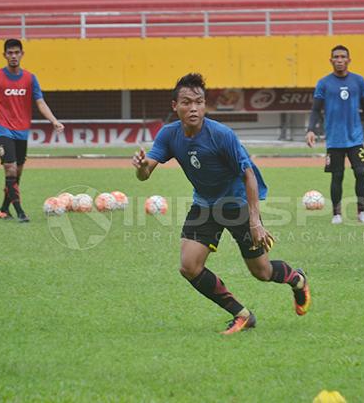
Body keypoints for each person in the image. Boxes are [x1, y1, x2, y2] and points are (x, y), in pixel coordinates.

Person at [132, 73, 311, 335]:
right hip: (205, 203)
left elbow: (248, 174)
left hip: (238, 201)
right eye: (186, 102)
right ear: (175, 106)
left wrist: (255, 222)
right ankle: (242, 315)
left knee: (261, 271)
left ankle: (297, 279)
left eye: (199, 102)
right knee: (189, 266)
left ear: (205, 105)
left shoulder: (221, 134)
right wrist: (139, 167)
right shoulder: (169, 135)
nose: (193, 108)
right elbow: (146, 173)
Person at [0, 38, 64, 222]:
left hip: (22, 132)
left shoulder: (30, 78)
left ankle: (4, 208)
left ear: (22, 54)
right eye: (9, 53)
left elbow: (40, 102)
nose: (13, 56)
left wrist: (54, 120)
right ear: (4, 55)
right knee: (10, 169)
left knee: (17, 173)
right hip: (3, 130)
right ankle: (20, 212)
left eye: (16, 52)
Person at [306, 45, 364, 225]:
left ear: (349, 60)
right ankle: (336, 215)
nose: (339, 60)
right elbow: (315, 109)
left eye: (343, 57)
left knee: (361, 173)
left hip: (355, 138)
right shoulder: (324, 83)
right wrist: (311, 130)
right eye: (336, 57)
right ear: (331, 60)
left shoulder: (358, 81)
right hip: (334, 139)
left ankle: (361, 213)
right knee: (337, 176)